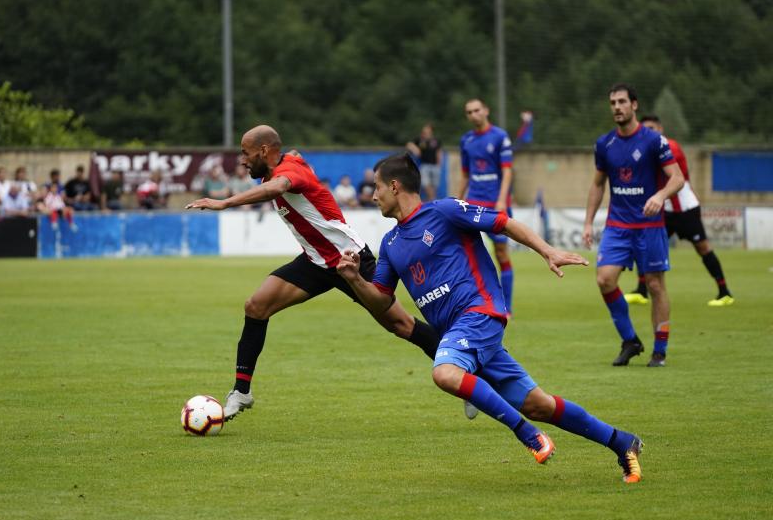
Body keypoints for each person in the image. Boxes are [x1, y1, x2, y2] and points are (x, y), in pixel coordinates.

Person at [336, 152, 644, 483]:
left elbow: (505, 222)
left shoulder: (445, 211)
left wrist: (548, 251)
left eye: (377, 187)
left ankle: (527, 434)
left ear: (394, 186)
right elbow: (381, 302)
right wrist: (354, 279)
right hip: (461, 332)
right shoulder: (391, 242)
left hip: (479, 313)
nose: (373, 195)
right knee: (538, 404)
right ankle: (621, 441)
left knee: (445, 373)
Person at [185, 125, 442, 421]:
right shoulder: (285, 164)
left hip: (349, 259)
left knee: (401, 325)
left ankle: (464, 370)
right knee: (256, 306)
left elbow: (278, 187)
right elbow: (286, 166)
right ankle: (241, 392)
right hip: (316, 261)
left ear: (264, 151)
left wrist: (225, 202)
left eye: (245, 153)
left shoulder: (288, 172)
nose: (242, 161)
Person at [583, 84, 685, 368]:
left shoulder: (654, 141)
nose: (617, 107)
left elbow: (676, 178)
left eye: (622, 102)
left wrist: (660, 195)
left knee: (654, 285)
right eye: (613, 102)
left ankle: (660, 350)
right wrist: (588, 222)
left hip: (650, 226)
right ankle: (630, 340)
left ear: (634, 105)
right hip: (618, 225)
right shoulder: (604, 144)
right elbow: (597, 184)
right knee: (604, 279)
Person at [624, 115, 734, 307]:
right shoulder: (645, 148)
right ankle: (642, 291)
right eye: (645, 129)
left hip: (685, 209)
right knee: (646, 247)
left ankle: (724, 292)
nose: (648, 132)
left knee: (703, 248)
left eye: (652, 128)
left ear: (660, 128)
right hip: (663, 210)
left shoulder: (670, 146)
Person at [458, 99, 516, 317]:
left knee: (502, 252)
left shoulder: (500, 137)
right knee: (467, 254)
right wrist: (458, 199)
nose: (473, 114)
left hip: (495, 203)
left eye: (476, 110)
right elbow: (465, 174)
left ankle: (506, 307)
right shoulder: (466, 140)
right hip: (473, 203)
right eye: (469, 112)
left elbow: (508, 171)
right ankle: (474, 303)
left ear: (486, 111)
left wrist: (502, 200)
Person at [406, 123, 443, 201]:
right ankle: (433, 199)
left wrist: (439, 164)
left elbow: (439, 152)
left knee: (434, 185)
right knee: (425, 183)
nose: (426, 131)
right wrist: (415, 149)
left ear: (431, 131)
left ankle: (431, 200)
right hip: (424, 165)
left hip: (435, 165)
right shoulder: (419, 140)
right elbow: (409, 144)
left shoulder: (436, 140)